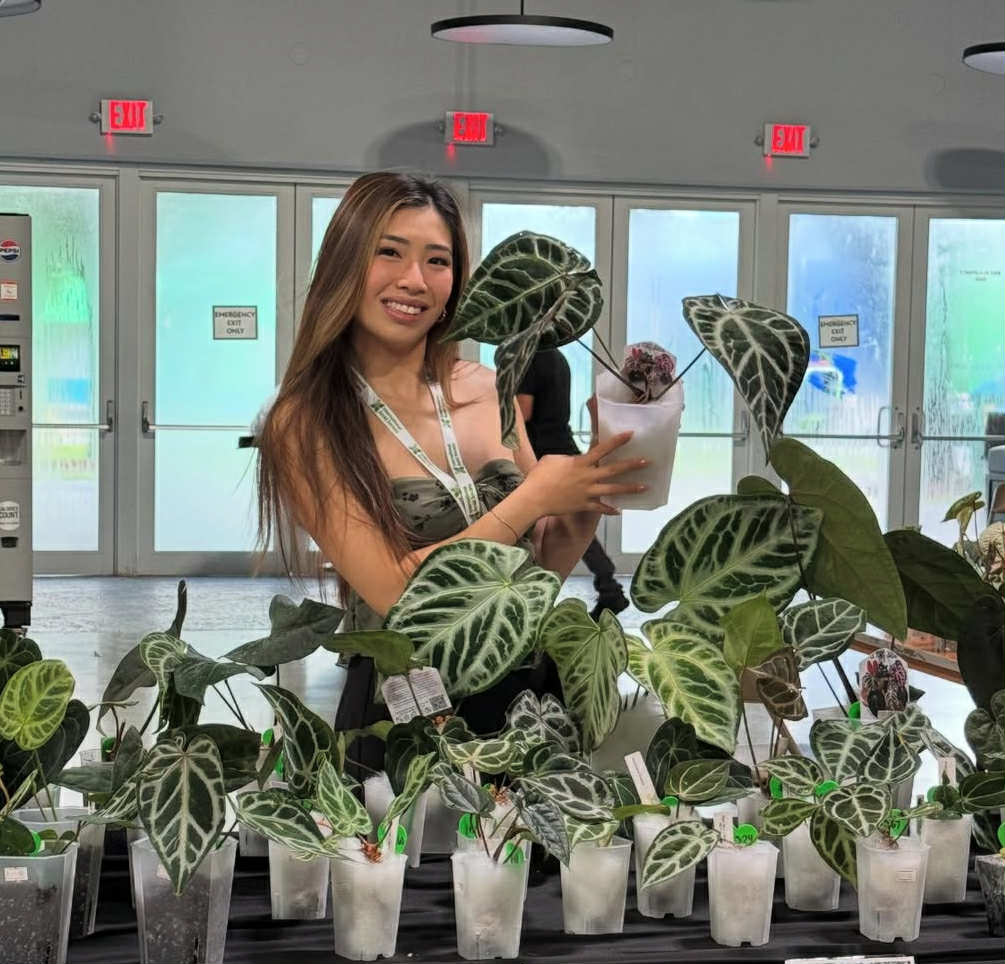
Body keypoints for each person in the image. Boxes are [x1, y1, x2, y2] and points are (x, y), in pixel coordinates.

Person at [255, 171, 646, 775]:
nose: (415, 280)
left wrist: (589, 482)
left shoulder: (489, 387)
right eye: (389, 252)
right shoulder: (305, 422)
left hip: (526, 698)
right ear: (345, 263)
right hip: (403, 714)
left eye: (437, 261)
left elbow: (541, 563)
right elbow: (393, 592)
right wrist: (532, 497)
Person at [517, 348, 632, 621]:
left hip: (543, 454)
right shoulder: (557, 357)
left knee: (561, 525)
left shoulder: (529, 358)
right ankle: (609, 587)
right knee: (572, 524)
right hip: (562, 445)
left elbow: (522, 411)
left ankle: (608, 588)